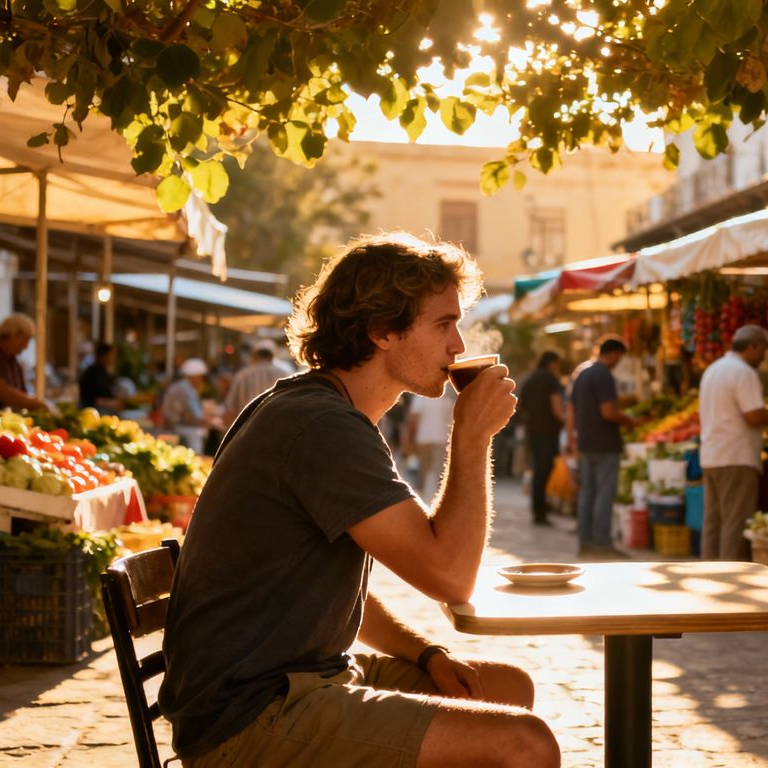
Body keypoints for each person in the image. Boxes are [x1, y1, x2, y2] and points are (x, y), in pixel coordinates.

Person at [159, 234, 557, 768]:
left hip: (301, 678)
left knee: (502, 687)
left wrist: (426, 652)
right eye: (443, 324)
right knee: (525, 744)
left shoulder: (324, 411)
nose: (458, 346)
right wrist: (472, 438)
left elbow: (339, 597)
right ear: (381, 331)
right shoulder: (322, 426)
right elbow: (449, 575)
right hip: (251, 716)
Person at [699, 325, 768, 560]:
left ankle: (709, 575)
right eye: (763, 349)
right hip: (736, 457)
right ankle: (729, 579)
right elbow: (754, 417)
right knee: (735, 523)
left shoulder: (714, 369)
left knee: (714, 522)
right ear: (752, 347)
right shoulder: (743, 372)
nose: (764, 355)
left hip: (712, 455)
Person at [568, 336, 634, 556]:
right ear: (614, 353)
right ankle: (602, 543)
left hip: (586, 441)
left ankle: (585, 541)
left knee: (588, 492)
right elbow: (608, 411)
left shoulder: (583, 373)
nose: (619, 361)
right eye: (619, 356)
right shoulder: (603, 375)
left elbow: (572, 409)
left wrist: (572, 437)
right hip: (604, 443)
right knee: (604, 493)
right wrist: (627, 420)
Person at [518, 350, 566, 526]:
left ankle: (538, 509)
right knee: (543, 472)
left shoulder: (530, 380)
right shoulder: (550, 380)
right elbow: (557, 409)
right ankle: (540, 512)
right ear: (552, 363)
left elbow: (522, 406)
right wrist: (569, 421)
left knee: (537, 471)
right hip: (547, 433)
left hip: (533, 432)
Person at [403, 388, 458, 500]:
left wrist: (409, 439)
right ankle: (438, 500)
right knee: (439, 473)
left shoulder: (420, 398)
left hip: (423, 439)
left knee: (424, 472)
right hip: (442, 440)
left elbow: (413, 420)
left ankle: (424, 500)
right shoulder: (447, 400)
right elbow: (453, 422)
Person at [222, 338, 288, 425]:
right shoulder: (283, 374)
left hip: (247, 429)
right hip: (276, 426)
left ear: (254, 356)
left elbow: (230, 409)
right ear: (273, 356)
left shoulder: (242, 375)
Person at [160, 358, 210, 452]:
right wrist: (202, 421)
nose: (202, 380)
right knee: (196, 435)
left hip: (182, 425)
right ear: (194, 376)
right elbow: (188, 416)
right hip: (178, 428)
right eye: (201, 377)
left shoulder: (187, 388)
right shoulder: (182, 389)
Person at [78, 342, 120, 411]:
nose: (114, 358)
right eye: (111, 354)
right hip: (94, 409)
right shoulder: (94, 372)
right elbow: (96, 400)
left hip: (101, 406)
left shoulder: (103, 371)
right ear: (103, 356)